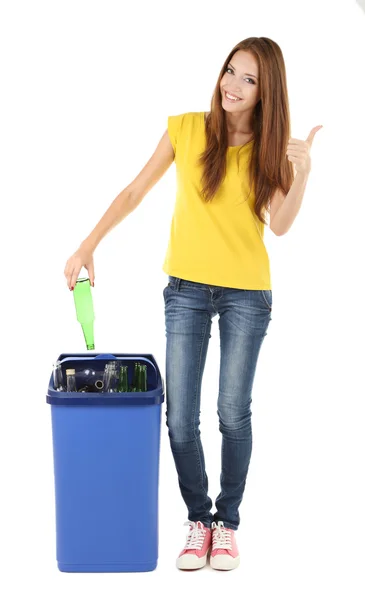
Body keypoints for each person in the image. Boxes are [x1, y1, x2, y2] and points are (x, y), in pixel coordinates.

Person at [64, 37, 322, 572]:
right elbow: (135, 191)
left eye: (249, 79)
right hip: (185, 291)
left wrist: (303, 174)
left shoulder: (270, 151)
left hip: (247, 294)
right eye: (232, 71)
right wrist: (89, 243)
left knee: (232, 412)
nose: (233, 85)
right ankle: (199, 519)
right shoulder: (186, 127)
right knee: (180, 417)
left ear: (265, 90)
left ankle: (227, 525)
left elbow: (280, 223)